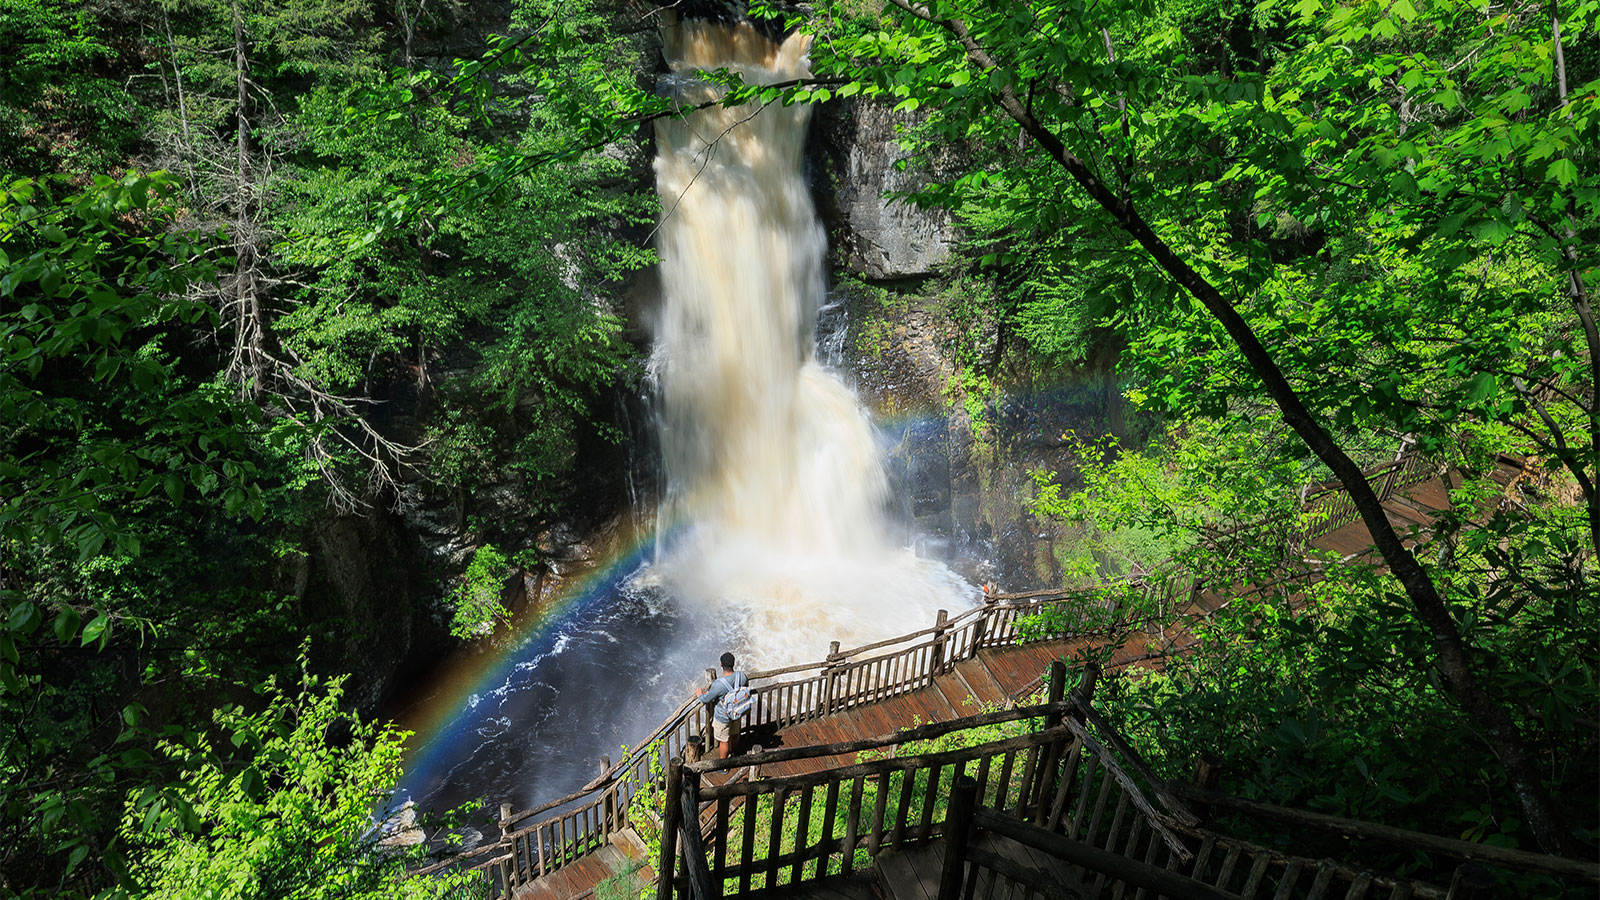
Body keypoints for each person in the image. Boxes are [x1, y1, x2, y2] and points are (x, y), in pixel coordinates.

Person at [695, 652, 748, 759]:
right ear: (733, 663)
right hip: (737, 711)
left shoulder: (719, 684)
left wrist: (700, 694)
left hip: (723, 716)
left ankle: (723, 765)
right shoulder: (742, 676)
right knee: (734, 735)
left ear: (721, 665)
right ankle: (732, 753)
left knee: (724, 741)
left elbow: (706, 699)